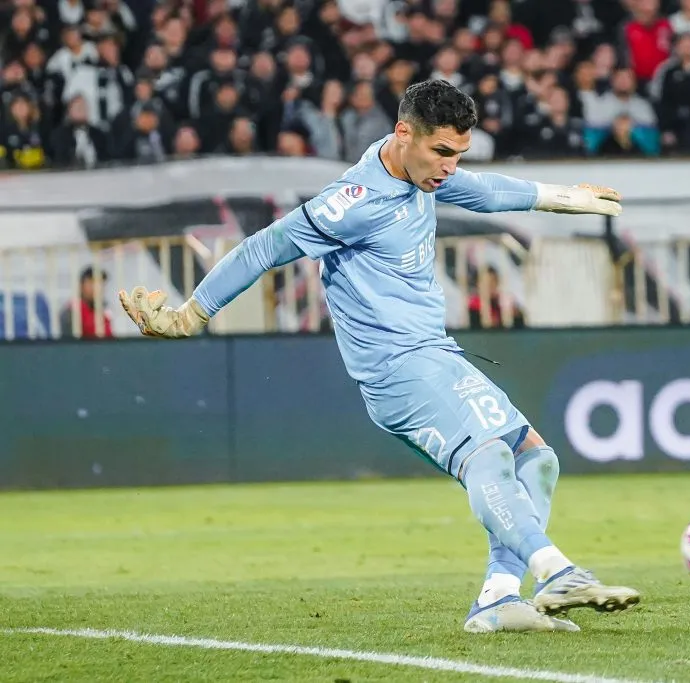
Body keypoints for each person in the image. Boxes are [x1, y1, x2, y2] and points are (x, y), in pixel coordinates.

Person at [117, 79, 639, 633]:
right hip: (400, 369)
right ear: (403, 133)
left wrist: (563, 198)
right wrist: (190, 315)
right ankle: (555, 570)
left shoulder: (420, 174)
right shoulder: (356, 202)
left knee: (537, 458)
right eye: (442, 152)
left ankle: (500, 597)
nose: (449, 167)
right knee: (487, 456)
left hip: (434, 356)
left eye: (458, 154)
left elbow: (483, 191)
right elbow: (265, 247)